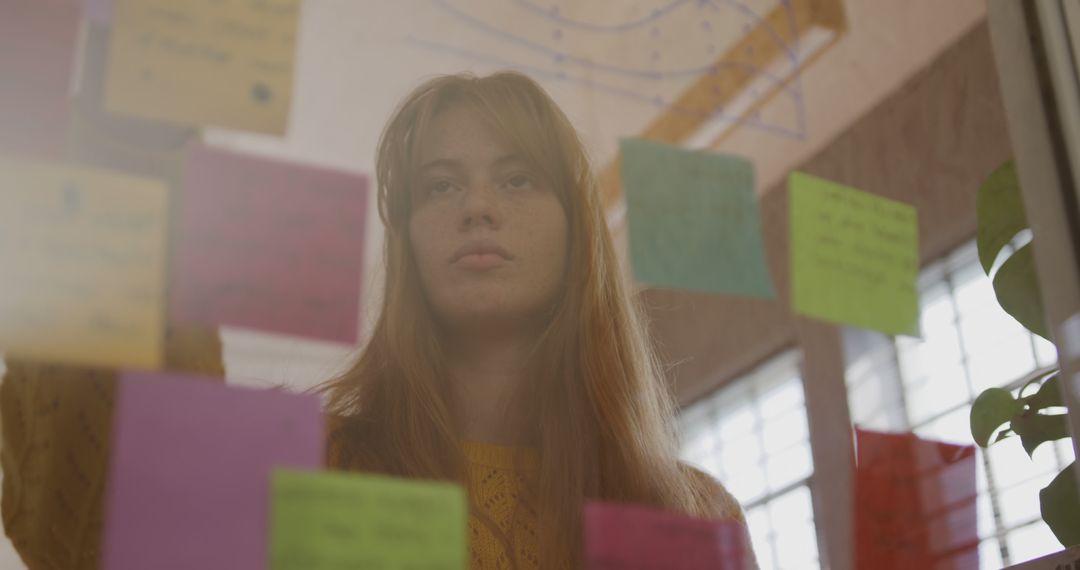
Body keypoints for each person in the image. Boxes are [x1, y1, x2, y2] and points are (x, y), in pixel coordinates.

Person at [1, 71, 748, 570]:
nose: (476, 207)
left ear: (578, 231)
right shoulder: (312, 466)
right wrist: (130, 140)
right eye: (438, 186)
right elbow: (105, 495)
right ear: (408, 244)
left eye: (518, 178)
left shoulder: (695, 516)